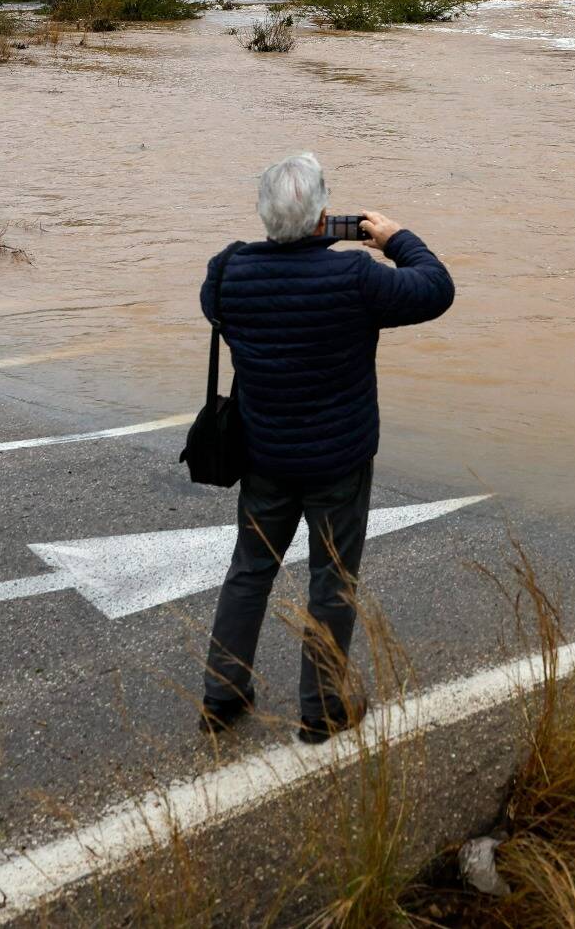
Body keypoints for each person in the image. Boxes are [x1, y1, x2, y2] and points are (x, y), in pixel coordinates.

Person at [197, 152, 455, 744]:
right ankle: (320, 711)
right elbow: (437, 289)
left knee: (249, 572)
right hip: (339, 462)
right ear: (323, 219)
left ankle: (222, 695)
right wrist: (395, 238)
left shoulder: (228, 271)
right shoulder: (354, 279)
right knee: (332, 581)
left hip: (263, 457)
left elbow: (216, 307)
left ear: (265, 217)